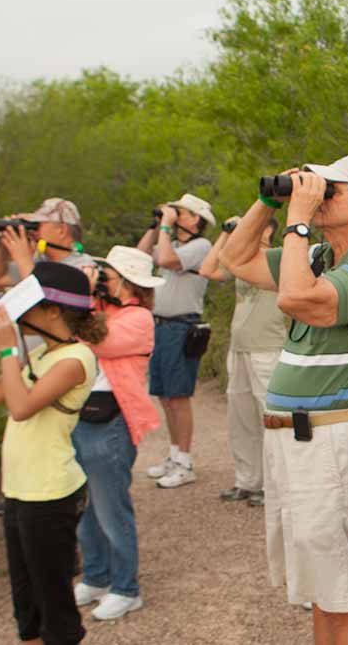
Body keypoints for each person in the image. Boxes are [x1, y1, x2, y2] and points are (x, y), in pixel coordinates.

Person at [218, 154, 348, 645]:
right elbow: (234, 260)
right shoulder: (322, 257)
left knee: (343, 592)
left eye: (332, 189)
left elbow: (296, 298)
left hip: (335, 440)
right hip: (300, 440)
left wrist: (297, 220)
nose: (319, 194)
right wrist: (266, 203)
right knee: (323, 592)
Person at [0, 261, 104, 645]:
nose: (18, 314)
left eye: (26, 305)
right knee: (26, 609)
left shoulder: (75, 360)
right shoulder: (42, 357)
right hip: (19, 491)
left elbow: (21, 407)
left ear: (53, 310)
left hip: (49, 494)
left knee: (55, 607)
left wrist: (10, 348)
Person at [69, 246, 165, 622]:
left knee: (111, 509)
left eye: (107, 275)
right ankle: (96, 575)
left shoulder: (139, 317)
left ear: (126, 282)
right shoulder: (102, 310)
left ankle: (126, 588)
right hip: (80, 417)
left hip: (112, 423)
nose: (101, 280)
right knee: (85, 507)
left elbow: (96, 338)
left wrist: (84, 297)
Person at [200, 215, 287, 508]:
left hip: (268, 348)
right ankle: (247, 482)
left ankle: (275, 485)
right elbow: (207, 269)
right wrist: (226, 235)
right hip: (239, 349)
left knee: (269, 419)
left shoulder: (277, 260)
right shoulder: (240, 260)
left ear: (268, 232)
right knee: (241, 419)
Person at [137, 193, 215, 489]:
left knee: (179, 397)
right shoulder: (174, 241)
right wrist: (157, 226)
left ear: (195, 219)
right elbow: (142, 257)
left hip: (182, 327)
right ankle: (173, 455)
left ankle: (185, 461)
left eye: (179, 211)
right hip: (159, 326)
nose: (174, 214)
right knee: (165, 396)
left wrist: (167, 229)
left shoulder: (201, 246)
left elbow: (167, 260)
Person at [0, 198, 94, 290]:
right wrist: (3, 243)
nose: (33, 231)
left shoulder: (83, 267)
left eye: (38, 225)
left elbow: (45, 301)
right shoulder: (40, 263)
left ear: (61, 230)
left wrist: (23, 259)